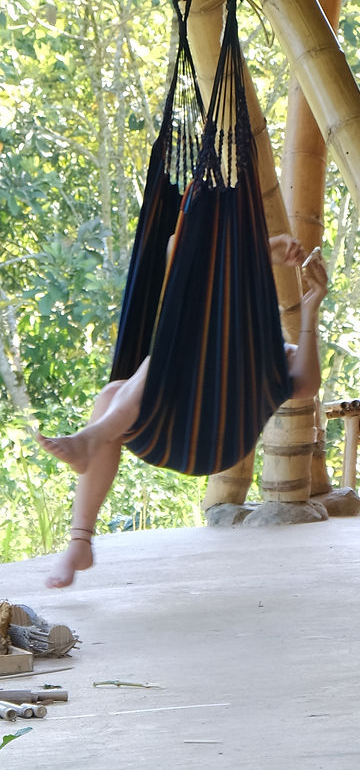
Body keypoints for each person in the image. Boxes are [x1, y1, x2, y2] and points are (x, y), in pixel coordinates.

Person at [37, 234, 328, 589]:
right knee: (111, 393)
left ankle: (91, 440)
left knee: (152, 364)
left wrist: (311, 307)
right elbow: (178, 244)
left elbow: (307, 384)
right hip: (173, 428)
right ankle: (80, 542)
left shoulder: (268, 352)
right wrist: (262, 249)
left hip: (215, 438)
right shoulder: (195, 321)